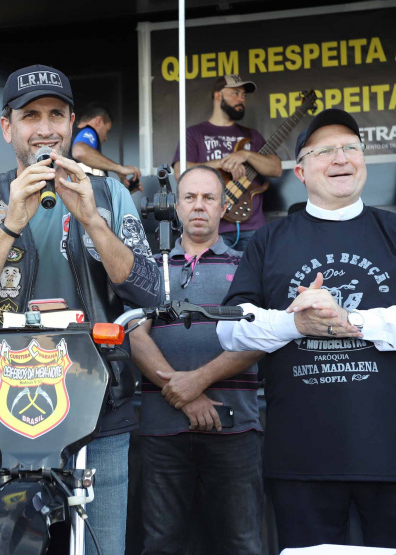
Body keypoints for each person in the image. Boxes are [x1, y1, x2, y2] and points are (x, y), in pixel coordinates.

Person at [0, 64, 162, 555]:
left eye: (56, 114)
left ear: (72, 122)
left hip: (99, 408)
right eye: (30, 115)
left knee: (98, 548)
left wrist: (92, 220)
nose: (44, 128)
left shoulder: (109, 192)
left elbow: (150, 294)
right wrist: (10, 225)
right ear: (7, 127)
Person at [217, 109, 396, 550]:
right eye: (326, 150)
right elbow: (230, 329)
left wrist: (353, 321)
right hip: (301, 460)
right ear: (300, 171)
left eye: (351, 147)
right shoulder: (269, 240)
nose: (341, 158)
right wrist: (296, 323)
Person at [129, 165, 264, 555]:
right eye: (189, 197)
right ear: (176, 206)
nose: (199, 206)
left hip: (235, 430)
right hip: (162, 432)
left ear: (224, 208)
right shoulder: (149, 268)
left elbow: (258, 337)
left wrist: (196, 381)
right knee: (161, 544)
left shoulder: (246, 265)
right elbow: (134, 335)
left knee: (241, 544)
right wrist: (187, 396)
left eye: (209, 198)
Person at [172, 74, 282, 251]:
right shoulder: (194, 133)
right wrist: (223, 163)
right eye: (235, 93)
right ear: (218, 95)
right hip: (212, 227)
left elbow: (276, 169)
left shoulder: (251, 135)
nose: (241, 99)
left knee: (257, 269)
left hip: (252, 225)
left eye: (244, 95)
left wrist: (246, 155)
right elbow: (180, 171)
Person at [71, 102, 141, 190]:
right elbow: (79, 151)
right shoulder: (89, 130)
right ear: (98, 121)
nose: (105, 138)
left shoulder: (72, 139)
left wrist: (126, 191)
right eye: (107, 131)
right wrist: (119, 168)